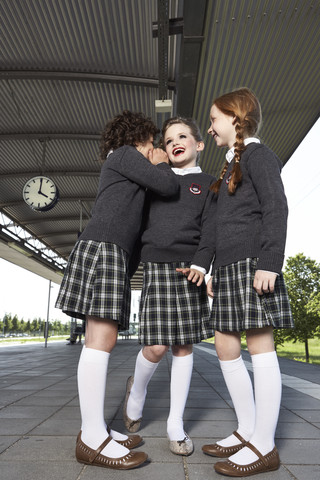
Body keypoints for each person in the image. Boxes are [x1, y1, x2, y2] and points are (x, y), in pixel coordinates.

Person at [55, 110, 179, 470]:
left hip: (112, 251)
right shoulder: (125, 155)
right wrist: (160, 163)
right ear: (138, 138)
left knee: (98, 339)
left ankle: (96, 431)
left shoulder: (127, 169)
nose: (156, 148)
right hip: (104, 247)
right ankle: (92, 438)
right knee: (101, 340)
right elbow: (168, 186)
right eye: (153, 142)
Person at [202, 88, 294, 477]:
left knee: (259, 346)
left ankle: (265, 444)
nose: (209, 129)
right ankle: (246, 429)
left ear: (235, 118)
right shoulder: (227, 167)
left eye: (213, 120)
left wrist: (270, 262)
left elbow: (276, 207)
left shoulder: (259, 155)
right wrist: (210, 269)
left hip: (254, 264)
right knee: (224, 345)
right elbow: (217, 226)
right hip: (226, 268)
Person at [123, 117, 216, 456]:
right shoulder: (154, 178)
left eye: (182, 136)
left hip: (189, 270)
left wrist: (202, 266)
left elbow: (210, 232)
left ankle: (175, 424)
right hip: (157, 269)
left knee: (183, 348)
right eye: (168, 139)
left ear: (198, 144)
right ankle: (136, 392)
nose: (175, 142)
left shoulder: (209, 184)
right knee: (157, 347)